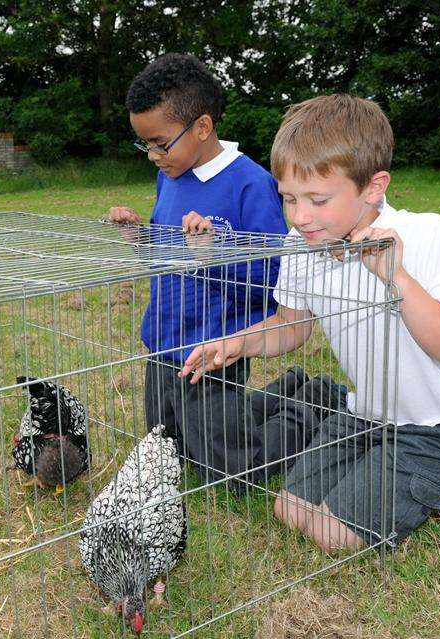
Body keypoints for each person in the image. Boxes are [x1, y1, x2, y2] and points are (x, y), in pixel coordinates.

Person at [179, 94, 440, 552]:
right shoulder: (301, 244)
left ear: (373, 187)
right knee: (290, 512)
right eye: (289, 198)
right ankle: (377, 454)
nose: (299, 217)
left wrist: (395, 275)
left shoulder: (428, 233)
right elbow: (291, 325)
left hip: (435, 426)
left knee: (331, 535)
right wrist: (235, 344)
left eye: (318, 199)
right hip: (365, 414)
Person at [107, 53, 287, 488]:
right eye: (144, 144)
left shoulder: (250, 185)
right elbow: (162, 257)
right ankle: (259, 409)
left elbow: (274, 279)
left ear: (202, 127)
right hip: (163, 342)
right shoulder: (169, 176)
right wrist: (139, 238)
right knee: (168, 453)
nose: (152, 155)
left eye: (160, 143)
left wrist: (213, 256)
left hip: (216, 349)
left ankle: (303, 411)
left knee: (230, 473)